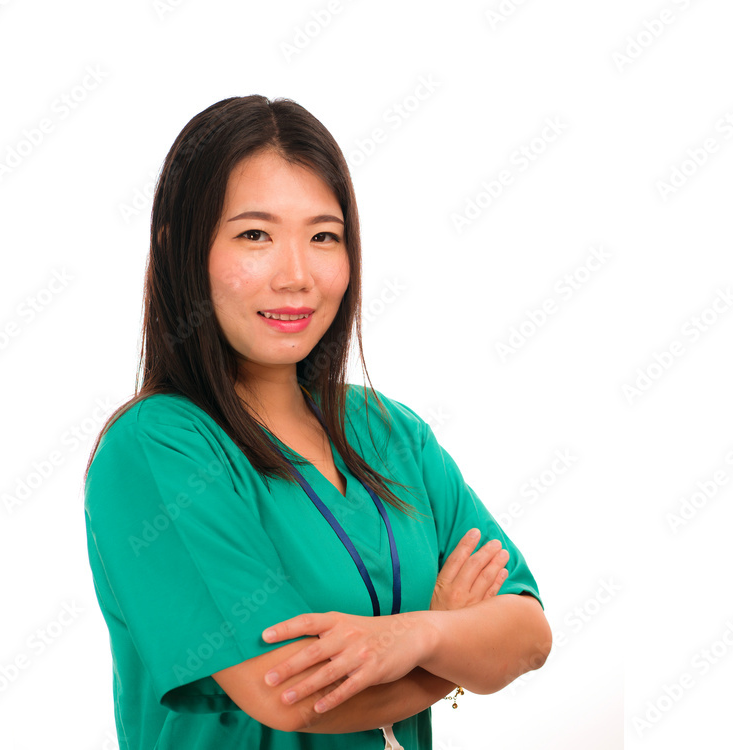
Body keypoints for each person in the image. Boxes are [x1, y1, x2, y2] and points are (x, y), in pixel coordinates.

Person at [83, 95, 551, 750]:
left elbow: (528, 634)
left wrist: (418, 635)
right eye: (255, 235)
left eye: (323, 236)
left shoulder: (389, 433)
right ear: (181, 249)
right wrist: (451, 653)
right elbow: (289, 694)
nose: (297, 275)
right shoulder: (158, 449)